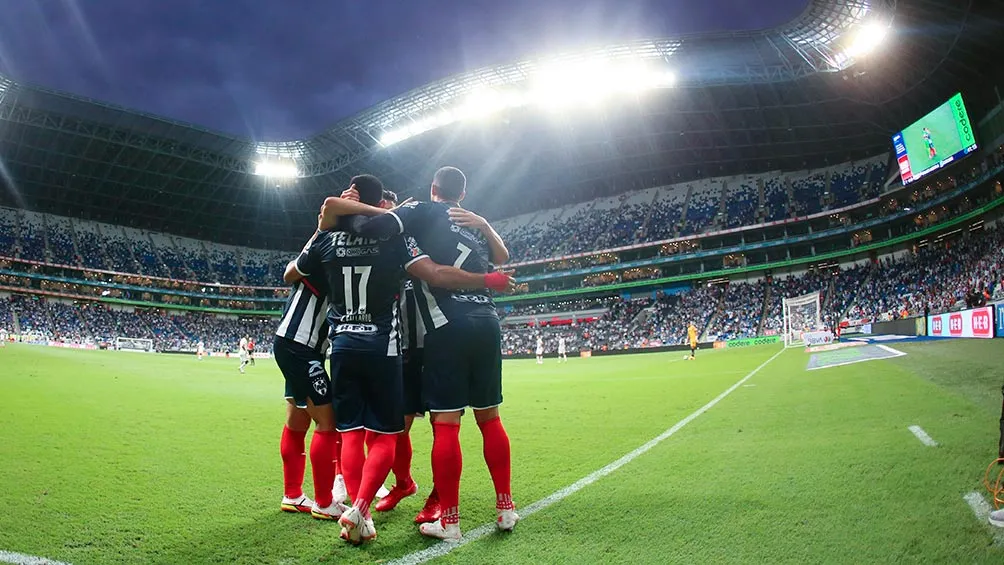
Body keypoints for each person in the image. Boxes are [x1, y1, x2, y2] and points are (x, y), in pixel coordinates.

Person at [309, 174, 515, 545]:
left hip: (430, 335)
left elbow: (434, 272)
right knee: (469, 419)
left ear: (429, 192)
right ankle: (490, 503)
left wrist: (366, 210)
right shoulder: (464, 228)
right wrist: (485, 236)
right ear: (461, 194)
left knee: (430, 426)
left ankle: (440, 508)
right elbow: (501, 257)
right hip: (465, 327)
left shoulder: (410, 223)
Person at [275, 224, 343, 520]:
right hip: (300, 346)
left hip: (297, 345)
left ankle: (292, 495)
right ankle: (325, 502)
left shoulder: (316, 250)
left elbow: (294, 267)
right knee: (328, 422)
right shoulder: (328, 255)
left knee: (297, 418)